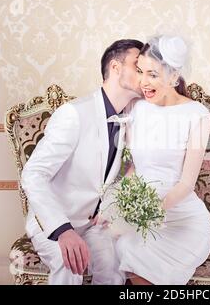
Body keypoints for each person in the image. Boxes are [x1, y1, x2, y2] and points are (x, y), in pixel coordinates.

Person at [20, 39, 144, 285]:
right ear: (116, 67)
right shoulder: (74, 114)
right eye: (137, 67)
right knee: (70, 265)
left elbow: (125, 172)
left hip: (94, 222)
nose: (145, 75)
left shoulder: (132, 114)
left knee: (113, 266)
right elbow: (33, 175)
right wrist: (63, 230)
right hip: (54, 222)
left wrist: (111, 206)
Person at [113, 35, 210, 285]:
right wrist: (120, 201)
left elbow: (187, 183)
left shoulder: (197, 115)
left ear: (173, 76)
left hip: (183, 220)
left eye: (153, 74)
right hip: (141, 213)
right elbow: (134, 167)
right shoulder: (136, 108)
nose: (143, 82)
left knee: (136, 252)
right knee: (122, 244)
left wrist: (154, 210)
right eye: (140, 71)